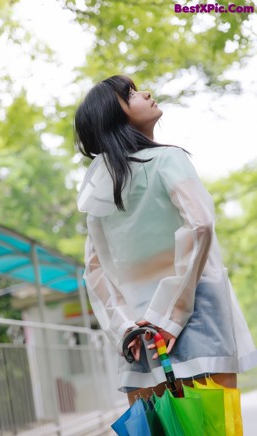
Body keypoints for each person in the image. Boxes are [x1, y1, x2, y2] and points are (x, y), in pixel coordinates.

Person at [75, 74, 257, 405]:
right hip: (198, 317)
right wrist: (170, 316)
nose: (145, 93)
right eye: (129, 94)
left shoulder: (97, 193)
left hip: (139, 338)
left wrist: (124, 328)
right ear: (113, 115)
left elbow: (94, 272)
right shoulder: (168, 159)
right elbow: (200, 225)